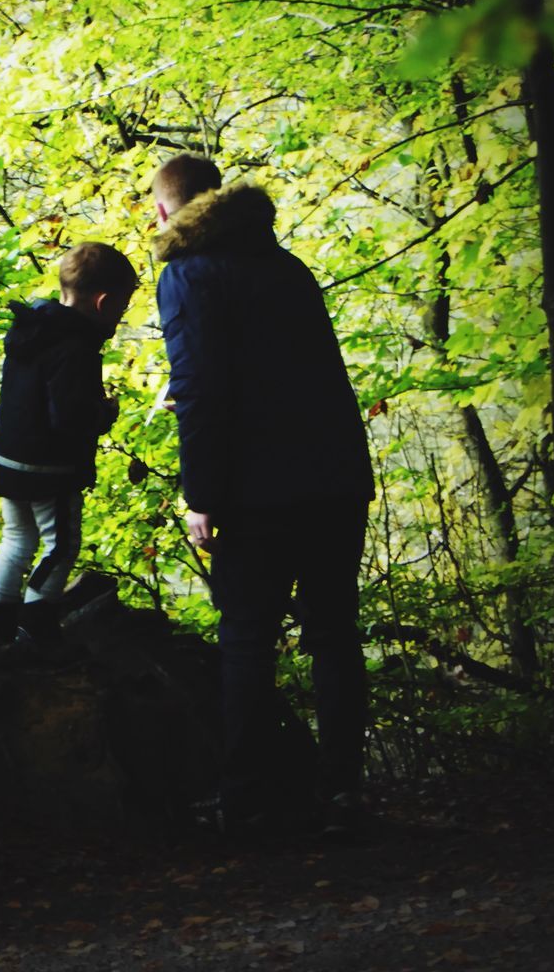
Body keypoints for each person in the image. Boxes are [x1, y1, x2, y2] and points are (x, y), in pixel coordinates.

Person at [152, 153, 375, 835]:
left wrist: (202, 496)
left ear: (169, 209)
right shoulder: (287, 267)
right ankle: (342, 794)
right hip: (335, 478)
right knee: (334, 635)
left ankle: (246, 799)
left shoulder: (187, 275)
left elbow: (201, 394)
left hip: (256, 492)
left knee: (248, 638)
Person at [0, 242, 137, 645]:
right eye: (122, 307)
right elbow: (70, 418)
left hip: (9, 461)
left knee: (17, 539)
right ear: (103, 303)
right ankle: (36, 625)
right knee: (61, 546)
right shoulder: (76, 348)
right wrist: (104, 414)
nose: (121, 317)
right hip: (50, 470)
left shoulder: (31, 331)